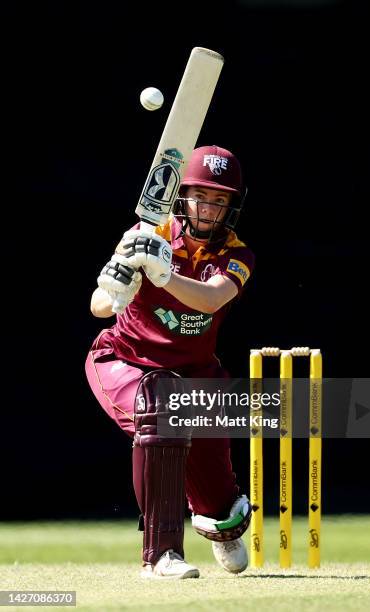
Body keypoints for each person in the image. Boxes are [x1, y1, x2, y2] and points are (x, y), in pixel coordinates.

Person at [85, 145, 255, 579]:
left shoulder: (237, 255)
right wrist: (117, 288)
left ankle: (219, 524)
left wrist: (163, 274)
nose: (209, 208)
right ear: (182, 196)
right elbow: (98, 306)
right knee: (158, 410)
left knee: (221, 507)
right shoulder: (147, 234)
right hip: (126, 359)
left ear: (231, 206)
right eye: (201, 196)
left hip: (196, 374)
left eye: (220, 200)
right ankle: (161, 555)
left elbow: (213, 297)